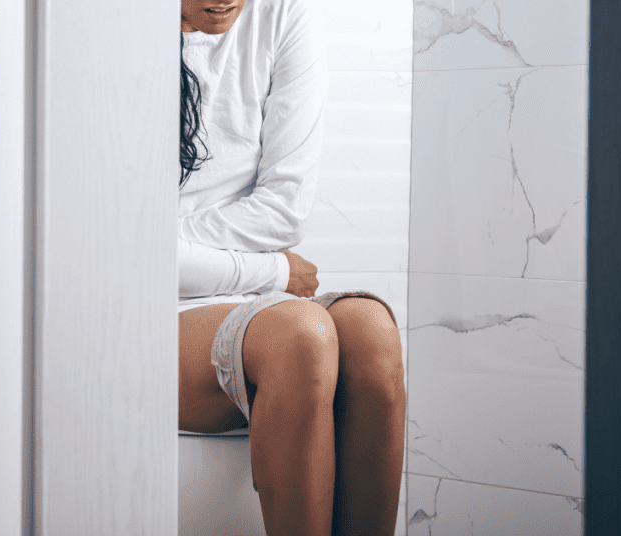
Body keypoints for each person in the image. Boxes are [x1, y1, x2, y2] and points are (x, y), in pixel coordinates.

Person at [176, 1, 405, 535]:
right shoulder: (102, 30)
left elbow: (282, 212)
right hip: (138, 307)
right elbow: (109, 251)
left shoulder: (282, 14)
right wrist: (273, 275)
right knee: (300, 335)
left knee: (371, 330)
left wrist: (162, 237)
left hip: (228, 295)